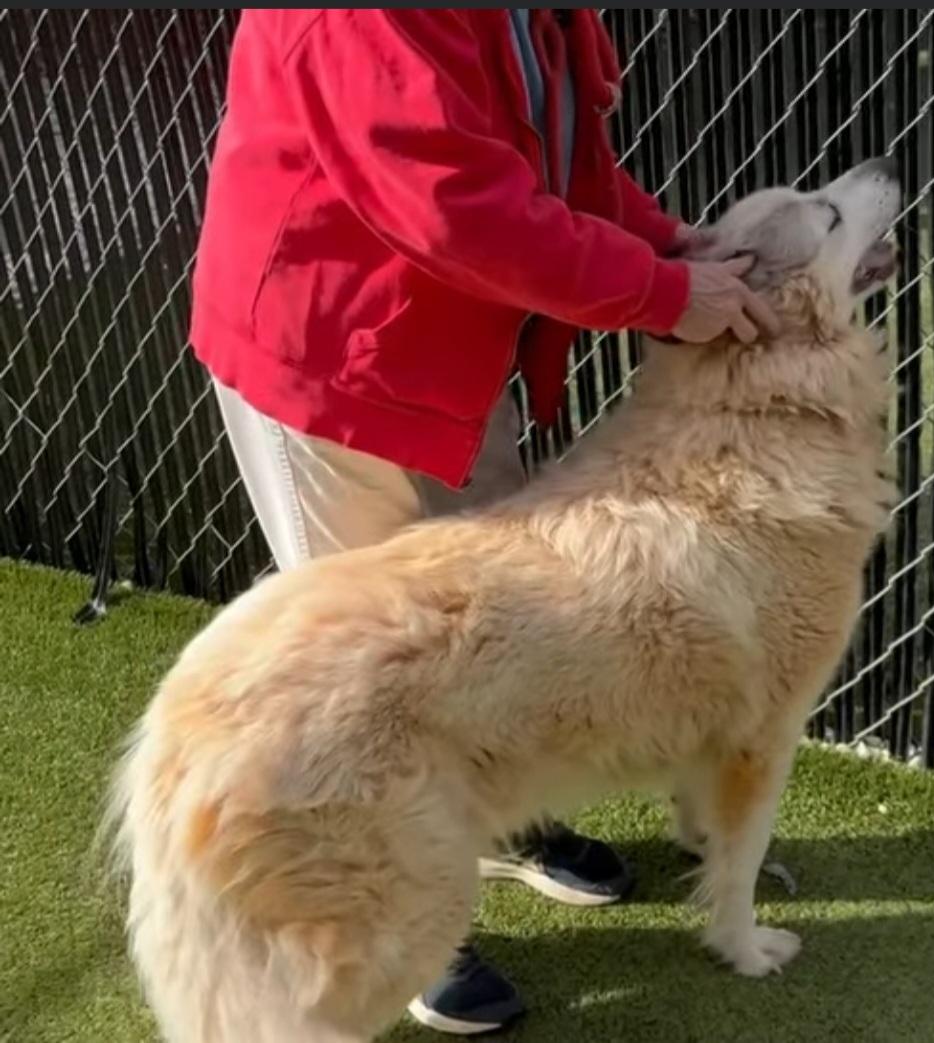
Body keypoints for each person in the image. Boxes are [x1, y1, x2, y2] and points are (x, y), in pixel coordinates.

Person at [189, 8, 779, 1035]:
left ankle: (496, 819)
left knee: (492, 623)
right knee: (375, 668)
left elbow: (551, 158)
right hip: (331, 358)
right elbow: (455, 204)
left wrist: (669, 240)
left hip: (447, 344)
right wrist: (661, 290)